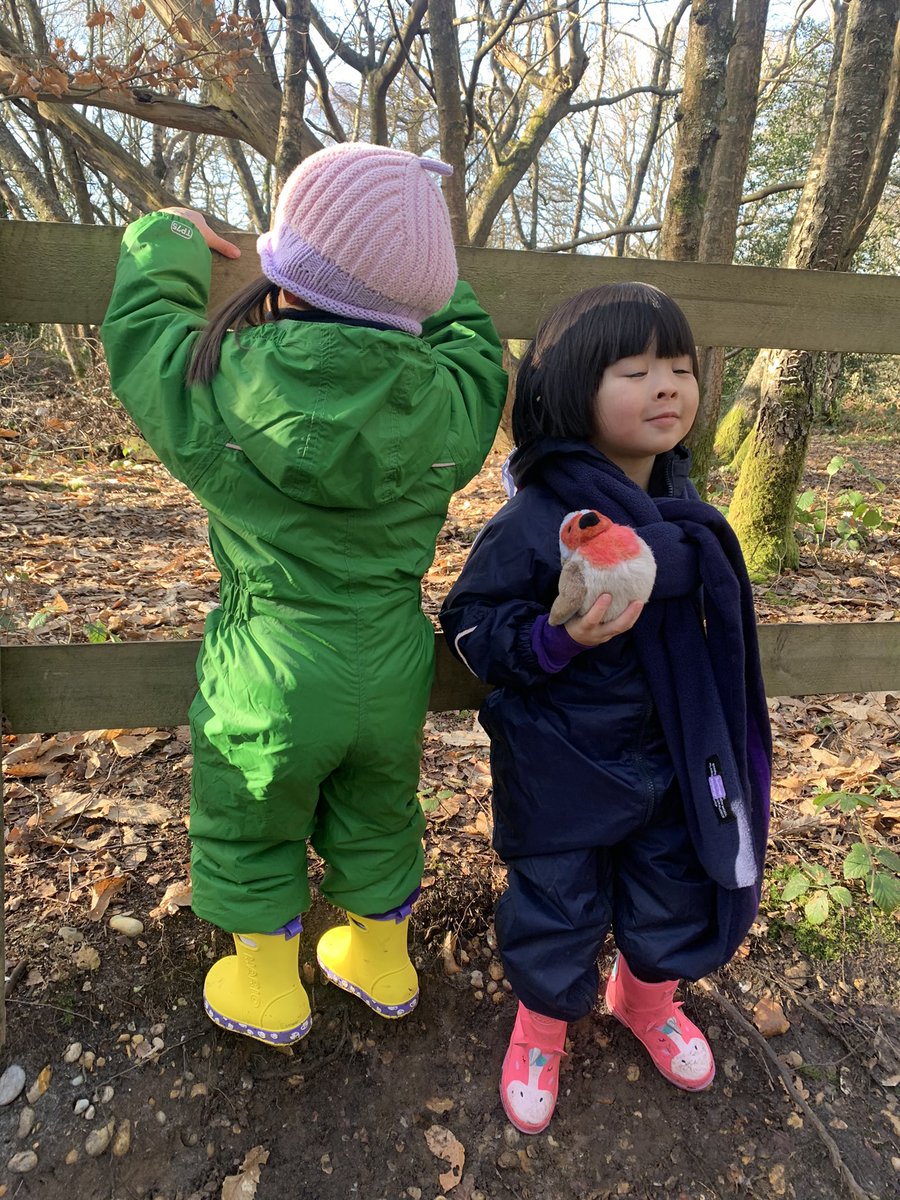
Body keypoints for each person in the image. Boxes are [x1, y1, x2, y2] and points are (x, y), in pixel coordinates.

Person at [100, 142, 507, 1046]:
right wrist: (424, 268)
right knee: (378, 808)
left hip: (269, 667)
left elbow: (140, 336)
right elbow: (478, 348)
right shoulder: (449, 403)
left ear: (280, 273)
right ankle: (382, 962)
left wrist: (167, 235)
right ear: (416, 302)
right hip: (393, 662)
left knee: (252, 813)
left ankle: (265, 988)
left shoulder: (217, 384)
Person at [440, 283, 772, 1133]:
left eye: (681, 369)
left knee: (675, 886)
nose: (666, 386)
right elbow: (472, 626)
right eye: (636, 370)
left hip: (673, 754)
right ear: (573, 389)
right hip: (560, 765)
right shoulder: (538, 516)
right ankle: (542, 1027)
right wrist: (559, 642)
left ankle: (644, 998)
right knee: (555, 904)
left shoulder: (689, 513)